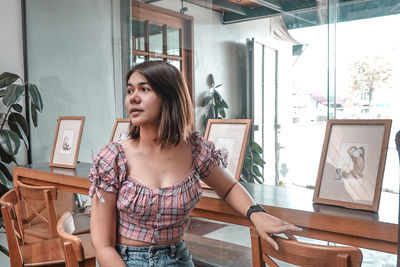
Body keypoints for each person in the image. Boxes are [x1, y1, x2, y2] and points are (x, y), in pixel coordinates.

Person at [89, 61, 301, 267]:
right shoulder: (113, 158)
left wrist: (256, 214)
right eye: (129, 90)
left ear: (169, 96)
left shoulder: (195, 149)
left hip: (178, 258)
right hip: (125, 261)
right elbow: (102, 245)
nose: (132, 98)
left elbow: (228, 187)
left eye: (144, 89)